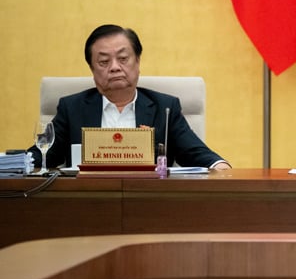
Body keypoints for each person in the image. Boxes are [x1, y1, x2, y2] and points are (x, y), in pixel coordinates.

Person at [29, 25, 230, 170]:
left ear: (138, 62)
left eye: (123, 59)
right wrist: (11, 164)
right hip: (88, 204)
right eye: (104, 61)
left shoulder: (165, 108)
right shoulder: (72, 108)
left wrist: (221, 167)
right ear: (92, 69)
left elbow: (197, 154)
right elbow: (42, 155)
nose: (115, 67)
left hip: (149, 205)